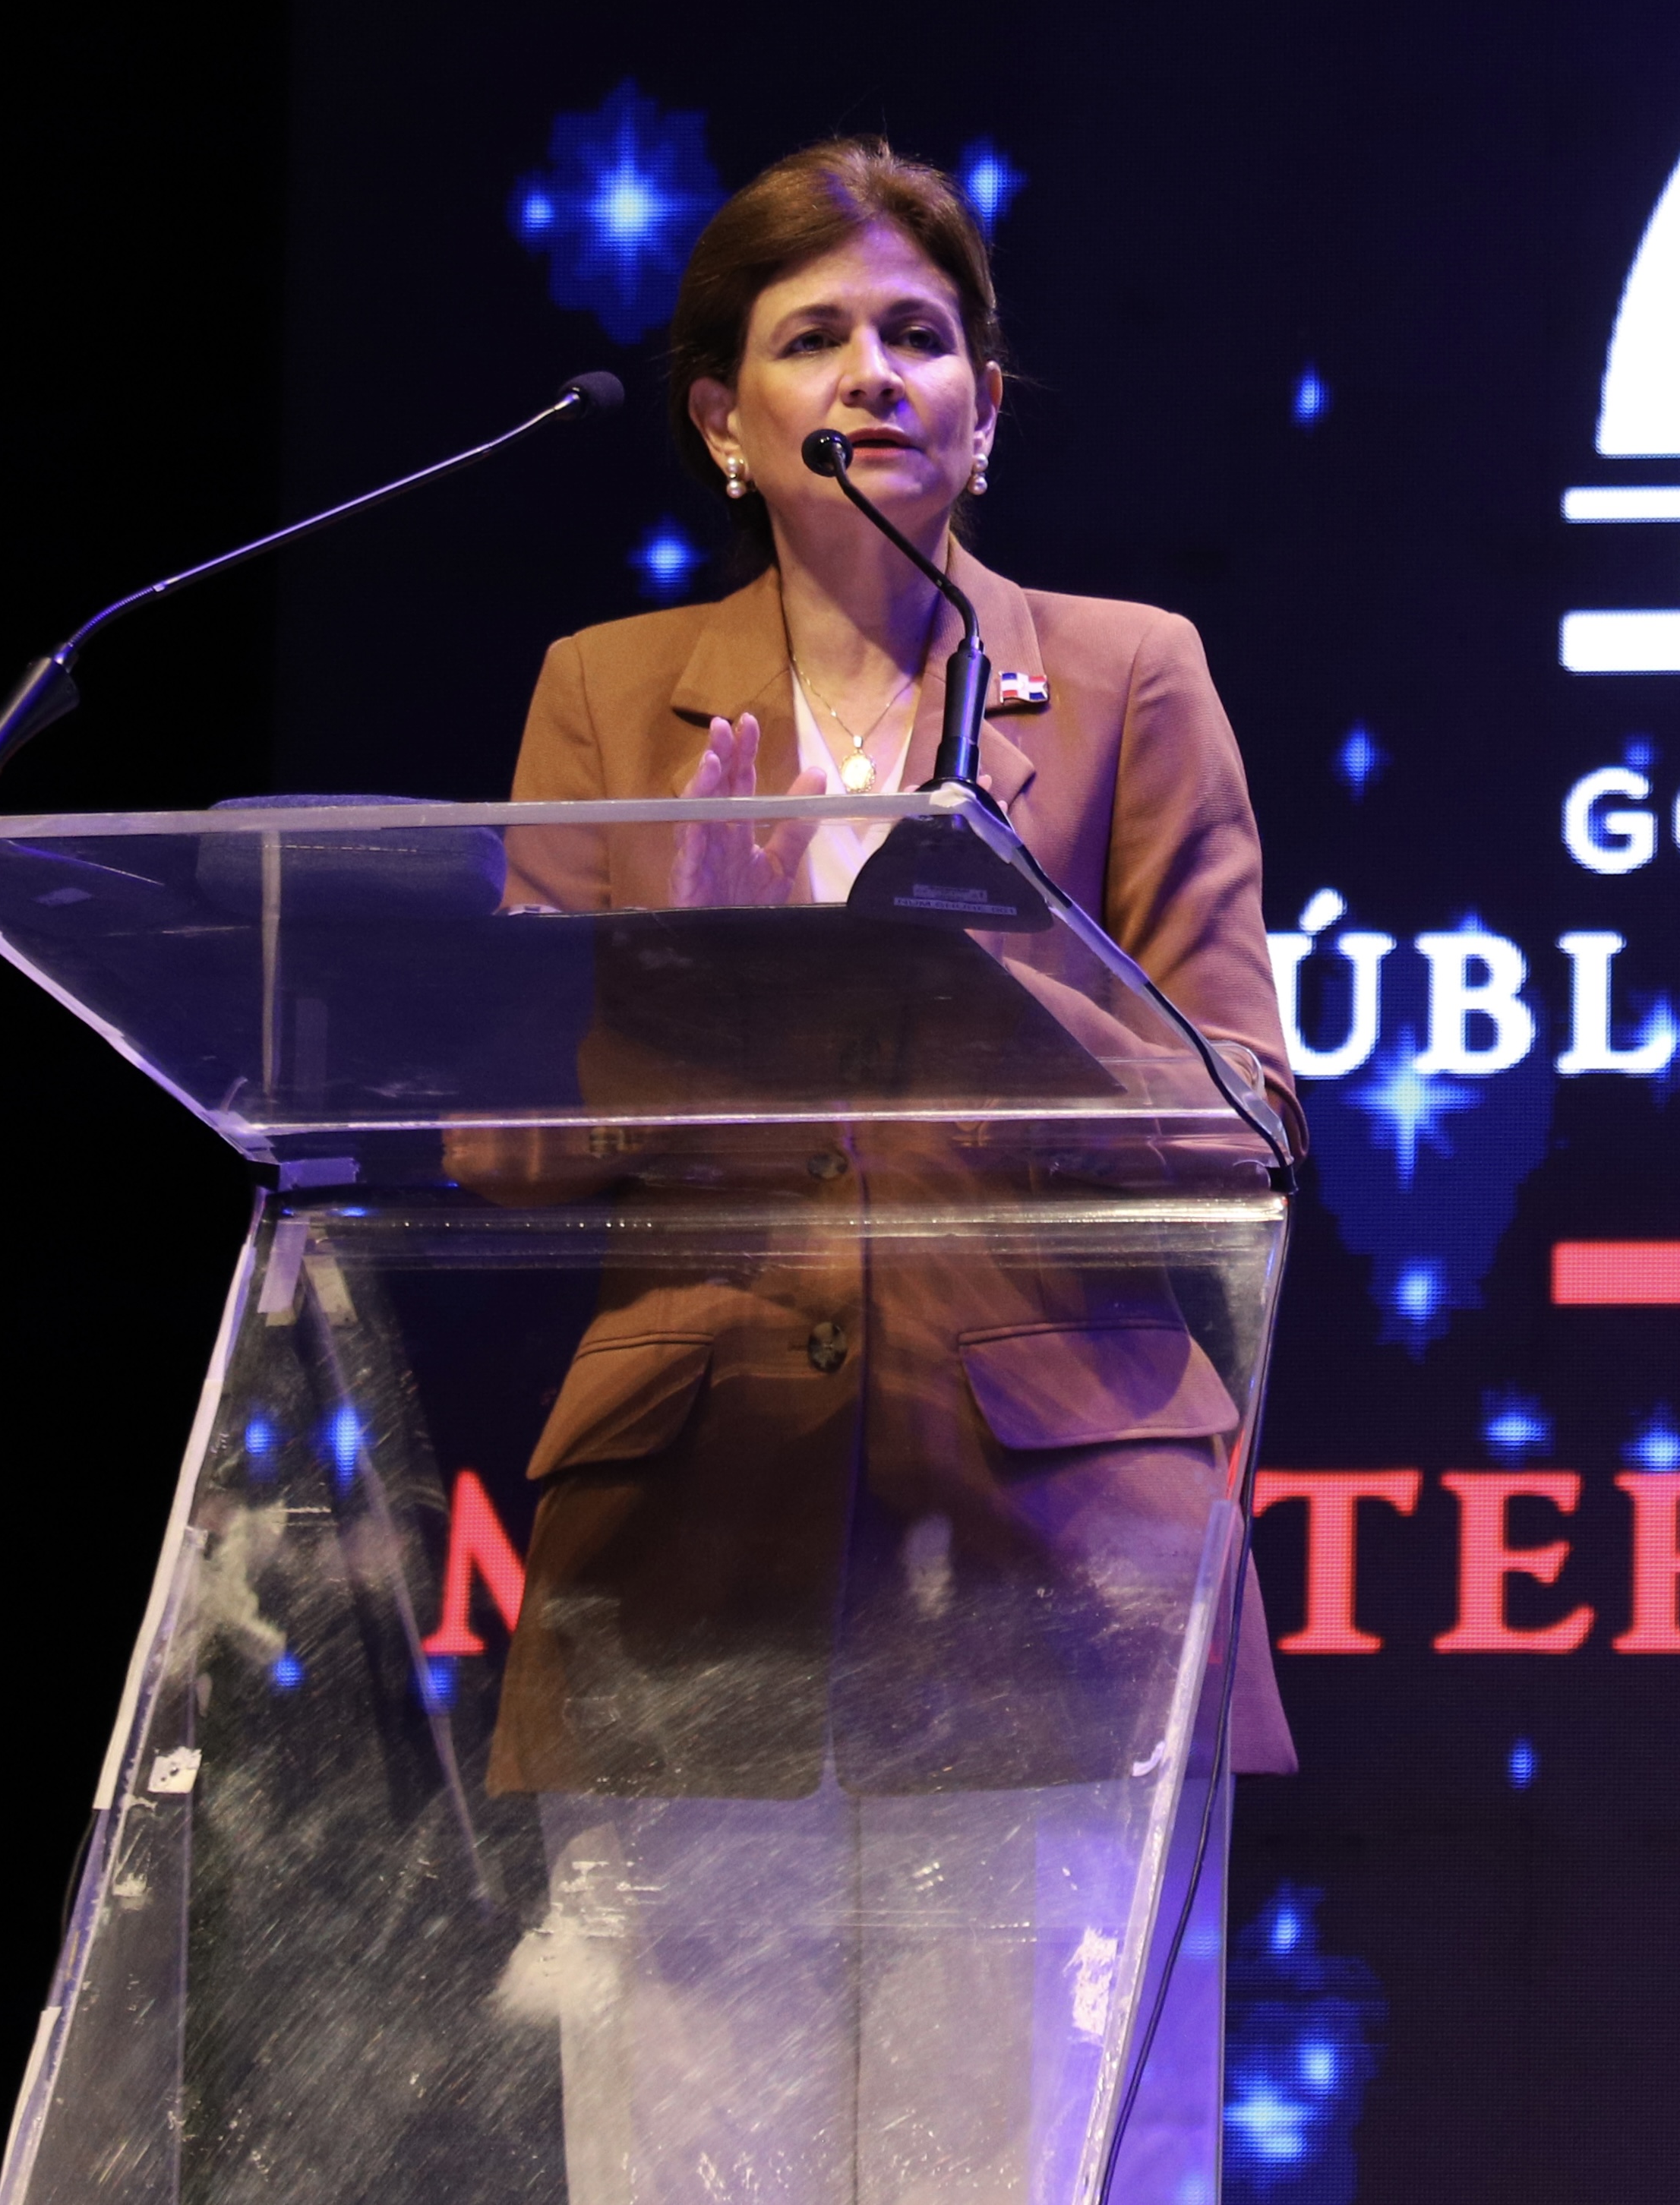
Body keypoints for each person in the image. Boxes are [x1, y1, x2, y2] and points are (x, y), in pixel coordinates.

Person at [485, 137, 1295, 2205]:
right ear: (720, 419)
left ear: (986, 406)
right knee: (683, 2168)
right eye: (815, 336)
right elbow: (502, 1139)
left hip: (1051, 1540)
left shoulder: (1123, 677)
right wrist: (697, 970)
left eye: (921, 335)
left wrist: (987, 969)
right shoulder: (606, 698)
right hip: (687, 1536)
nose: (875, 372)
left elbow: (1240, 1114)